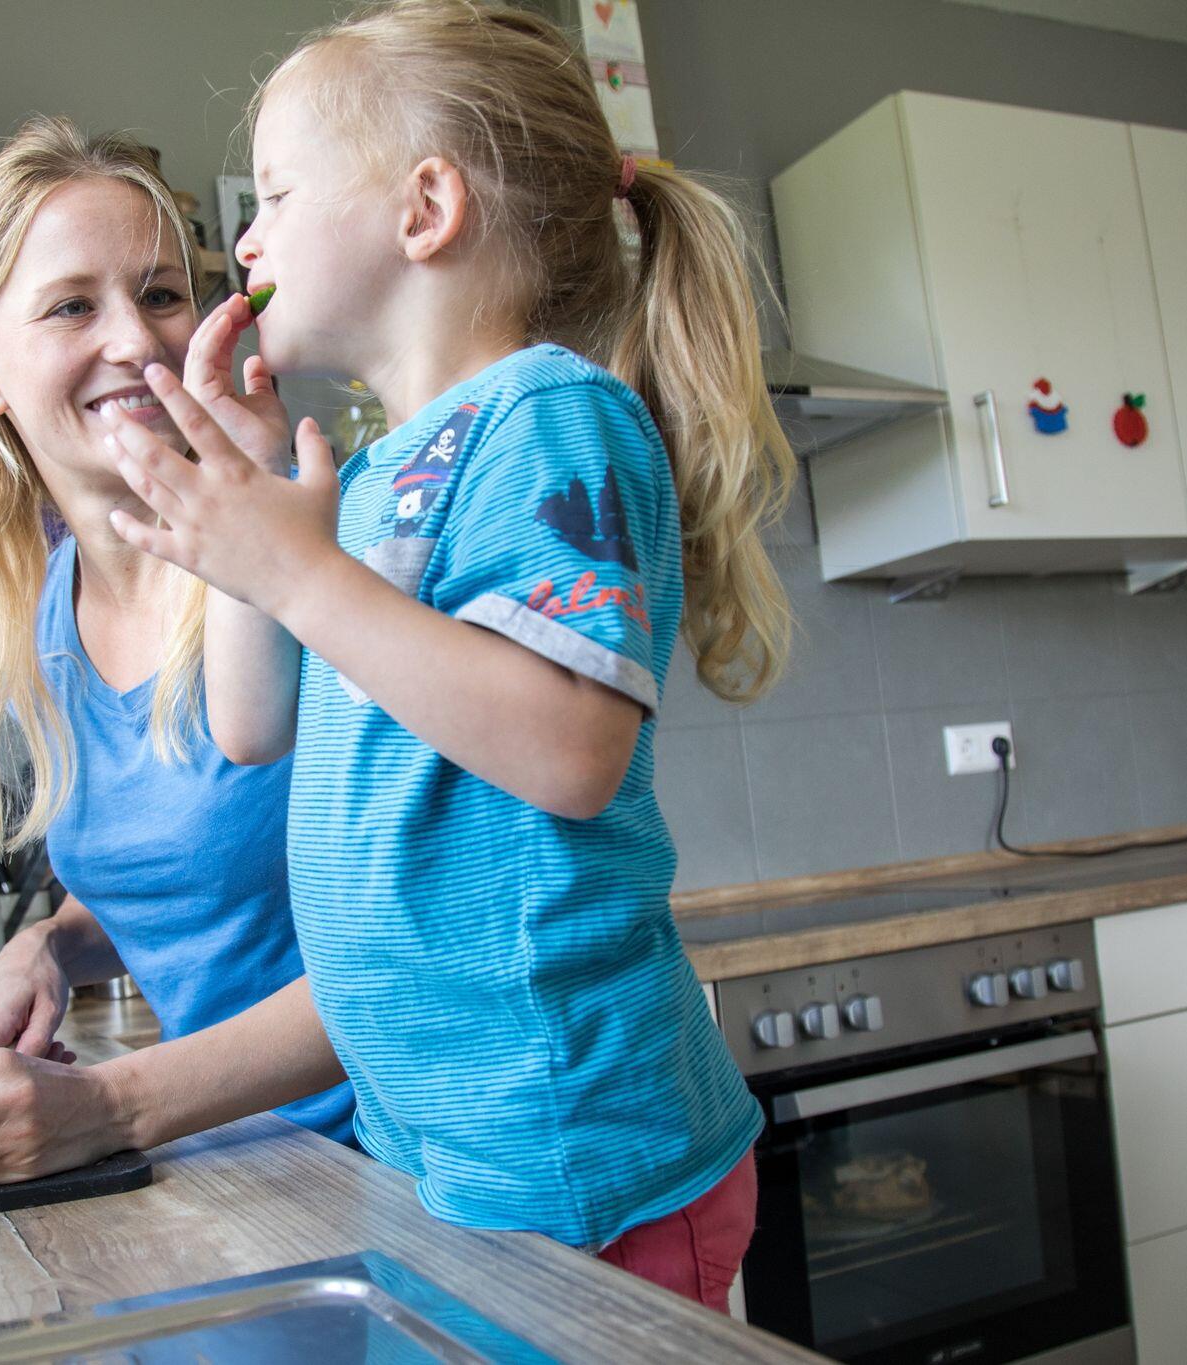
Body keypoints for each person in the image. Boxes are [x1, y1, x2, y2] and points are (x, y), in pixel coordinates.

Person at [97, 0, 796, 1312]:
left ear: (426, 208)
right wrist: (252, 515)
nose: (241, 238)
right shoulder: (364, 480)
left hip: (578, 1152)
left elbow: (574, 749)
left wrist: (294, 565)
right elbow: (253, 724)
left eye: (280, 194)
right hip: (449, 1152)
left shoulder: (549, 415)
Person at [0, 117, 353, 1186]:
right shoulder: (47, 613)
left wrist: (106, 1103)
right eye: (70, 306)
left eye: (158, 293)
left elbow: (426, 929)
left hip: (412, 1172)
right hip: (248, 1181)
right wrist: (46, 944)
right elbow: (192, 883)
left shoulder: (314, 543)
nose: (136, 341)